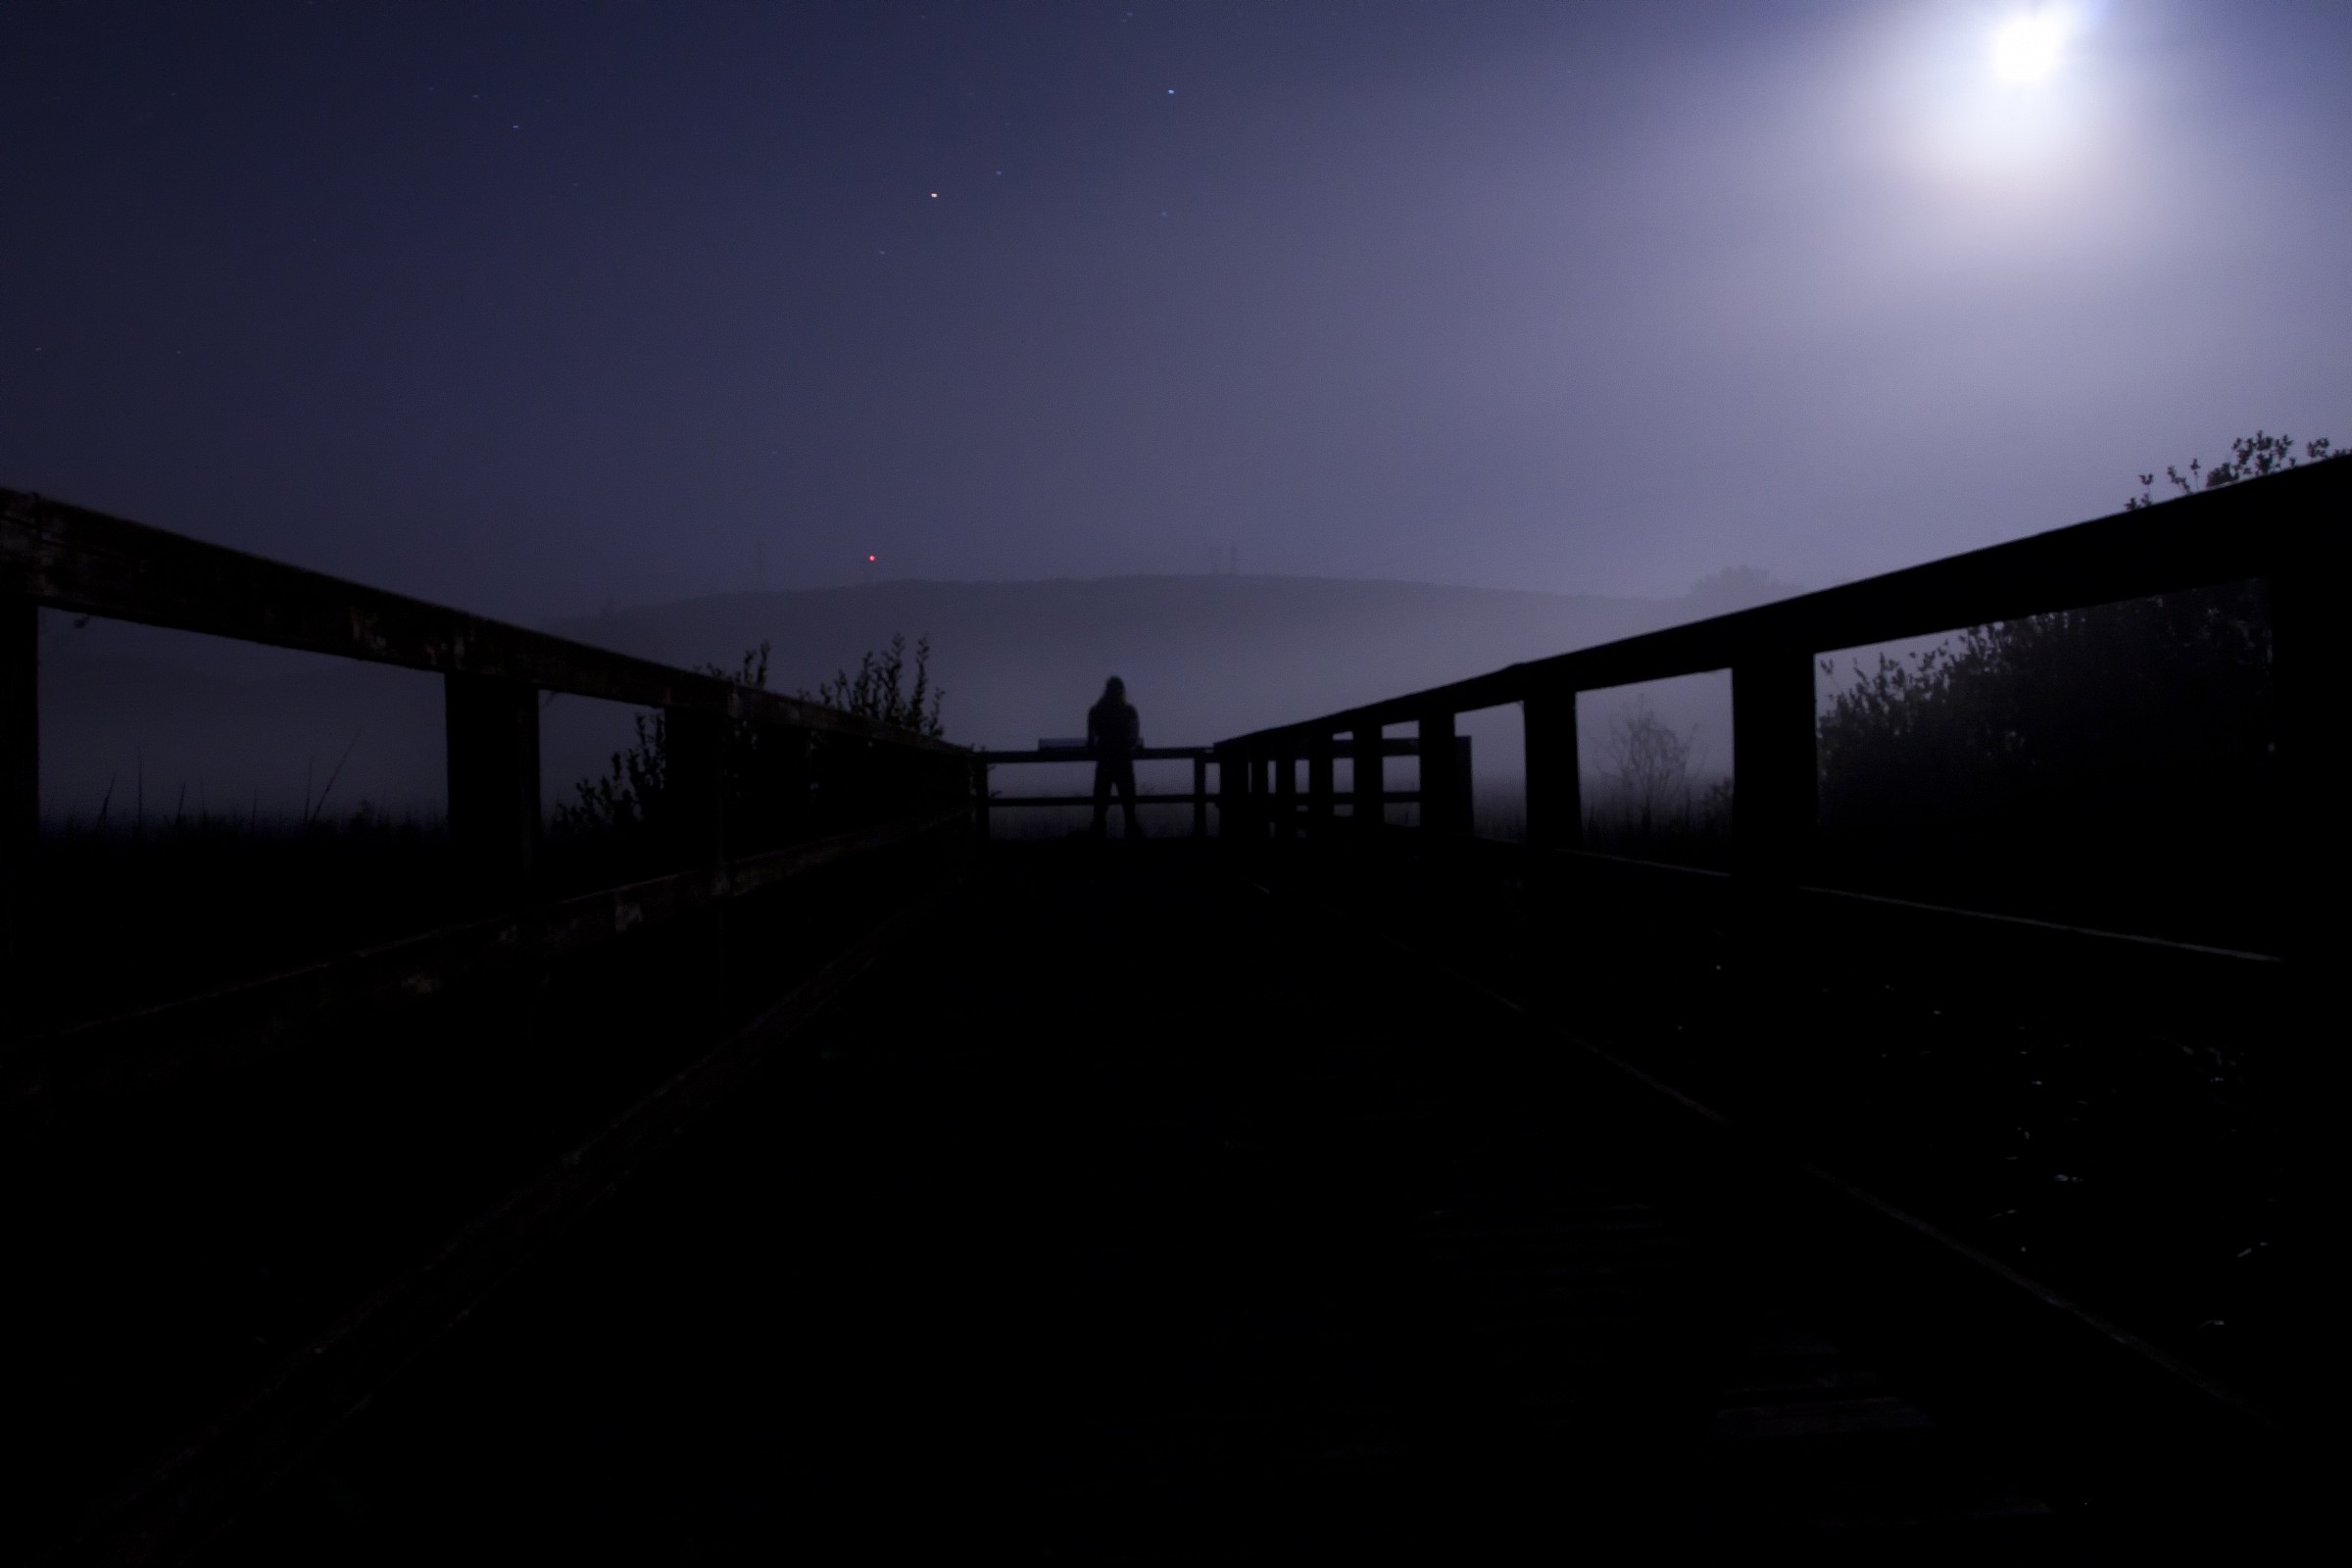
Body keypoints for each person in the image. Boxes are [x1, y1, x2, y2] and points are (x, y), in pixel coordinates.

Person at [1087, 675, 1143, 839]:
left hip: (1104, 762)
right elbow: (1133, 739)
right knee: (1129, 808)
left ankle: (1097, 845)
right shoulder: (1129, 712)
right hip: (1124, 761)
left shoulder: (1096, 711)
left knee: (1100, 808)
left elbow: (1091, 741)